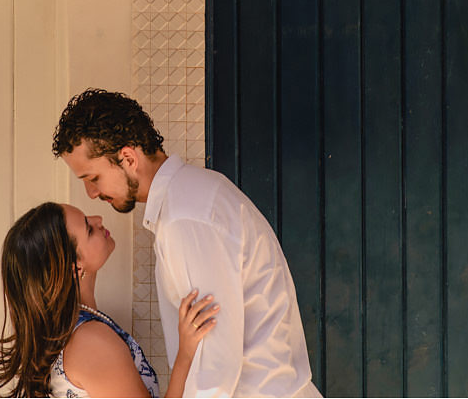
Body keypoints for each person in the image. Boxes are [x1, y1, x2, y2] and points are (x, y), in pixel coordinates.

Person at [53, 89, 322, 398]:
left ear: (127, 158)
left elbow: (213, 363)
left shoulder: (185, 217)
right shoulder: (192, 197)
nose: (91, 193)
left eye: (93, 178)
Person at [0, 201, 220, 397]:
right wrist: (186, 353)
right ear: (75, 266)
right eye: (88, 229)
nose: (98, 219)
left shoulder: (74, 332)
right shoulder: (90, 341)